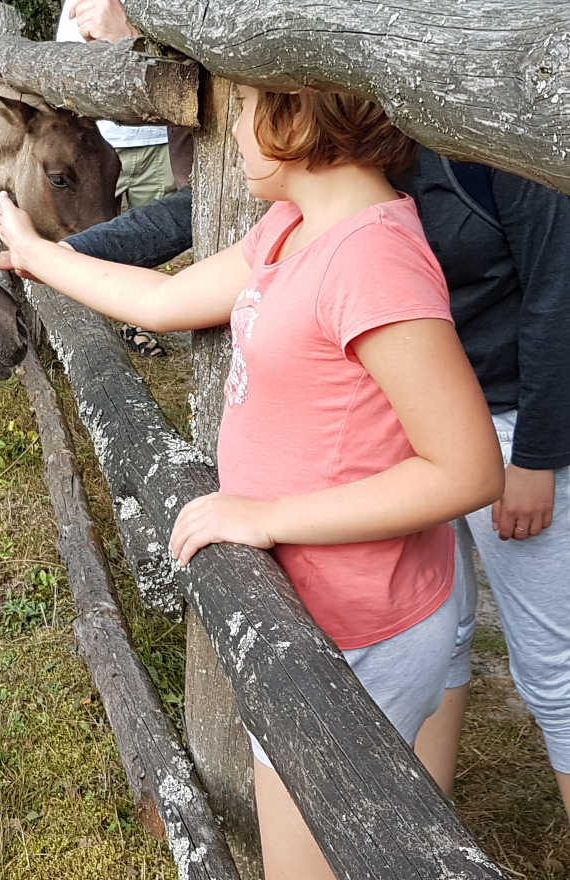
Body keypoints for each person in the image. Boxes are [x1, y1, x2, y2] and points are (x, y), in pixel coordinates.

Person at [0, 86, 505, 879]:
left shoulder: (372, 257)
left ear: (304, 110)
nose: (230, 127)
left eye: (245, 101)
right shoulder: (293, 229)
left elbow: (466, 468)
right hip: (312, 612)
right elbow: (164, 298)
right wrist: (36, 253)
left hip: (359, 619)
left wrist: (269, 515)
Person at [51, 152, 570, 821]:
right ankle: (424, 825)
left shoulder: (491, 137)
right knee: (449, 625)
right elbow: (191, 219)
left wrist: (536, 456)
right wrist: (59, 253)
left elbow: (560, 291)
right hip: (402, 413)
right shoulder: (356, 151)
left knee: (551, 660)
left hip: (511, 419)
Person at [57, 0, 189, 358]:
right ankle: (92, 318)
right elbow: (67, 67)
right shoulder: (81, 6)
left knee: (152, 233)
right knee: (95, 227)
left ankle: (138, 320)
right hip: (99, 145)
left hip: (158, 140)